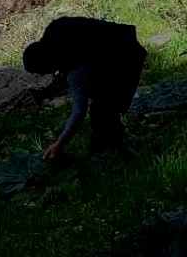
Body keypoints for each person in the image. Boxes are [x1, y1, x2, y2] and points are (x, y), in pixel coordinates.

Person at [22, 16, 147, 162]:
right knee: (103, 107)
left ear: (45, 64)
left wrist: (60, 143)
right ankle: (115, 145)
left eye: (40, 71)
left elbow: (79, 111)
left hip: (126, 56)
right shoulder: (56, 31)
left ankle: (113, 156)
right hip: (123, 40)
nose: (43, 75)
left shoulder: (74, 68)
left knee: (103, 109)